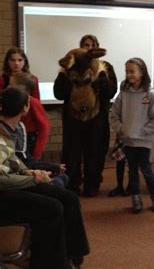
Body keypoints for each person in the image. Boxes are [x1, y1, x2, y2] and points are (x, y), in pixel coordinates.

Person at [0, 87, 89, 269]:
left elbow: (14, 161)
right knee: (52, 207)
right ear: (26, 108)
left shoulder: (11, 130)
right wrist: (34, 178)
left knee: (68, 198)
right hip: (4, 191)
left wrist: (30, 173)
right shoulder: (2, 133)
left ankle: (73, 254)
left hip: (13, 181)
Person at [53, 34, 117, 196]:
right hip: (73, 121)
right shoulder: (68, 67)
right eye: (84, 45)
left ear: (96, 48)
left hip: (97, 121)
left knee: (95, 153)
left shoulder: (105, 67)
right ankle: (72, 184)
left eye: (91, 45)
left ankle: (92, 184)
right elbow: (58, 93)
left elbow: (111, 92)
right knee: (71, 154)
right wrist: (69, 79)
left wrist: (100, 82)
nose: (88, 48)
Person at [109, 58, 154, 213]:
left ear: (142, 72)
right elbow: (114, 115)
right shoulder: (123, 94)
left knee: (146, 169)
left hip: (144, 140)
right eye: (127, 71)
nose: (129, 74)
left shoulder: (151, 94)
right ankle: (136, 198)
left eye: (132, 71)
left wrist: (143, 131)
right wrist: (122, 129)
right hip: (128, 140)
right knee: (132, 170)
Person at [8, 72, 68, 187]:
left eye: (11, 85)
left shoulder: (33, 103)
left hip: (30, 139)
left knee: (30, 163)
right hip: (21, 139)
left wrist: (37, 152)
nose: (8, 87)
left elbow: (44, 127)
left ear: (22, 88)